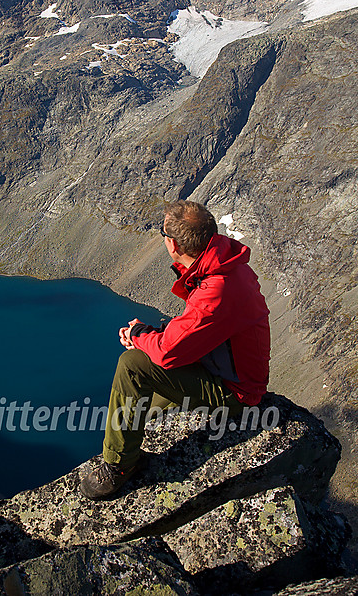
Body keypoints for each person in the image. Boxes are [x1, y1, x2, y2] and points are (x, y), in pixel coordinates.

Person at [80, 199, 271, 500]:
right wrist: (147, 334)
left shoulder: (217, 288)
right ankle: (127, 445)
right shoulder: (221, 263)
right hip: (219, 368)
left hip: (235, 392)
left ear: (173, 244)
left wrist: (138, 336)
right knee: (147, 402)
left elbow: (170, 351)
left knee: (133, 364)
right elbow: (198, 328)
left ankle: (120, 465)